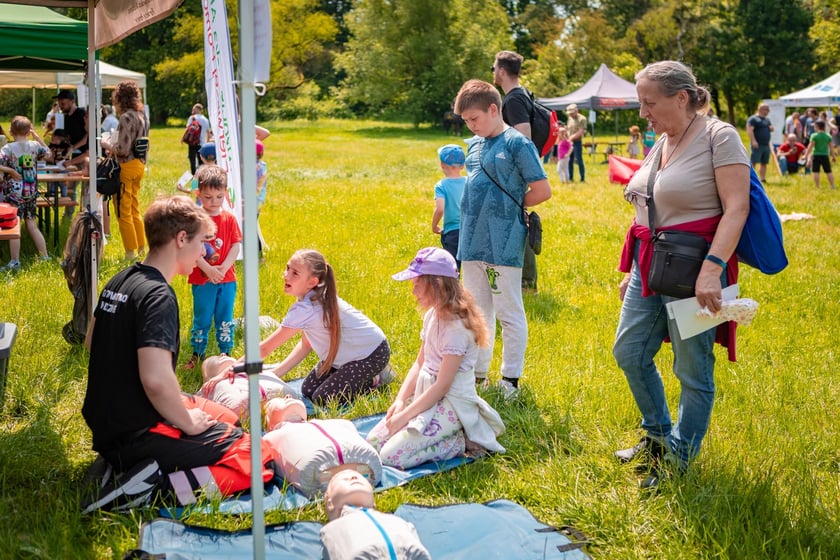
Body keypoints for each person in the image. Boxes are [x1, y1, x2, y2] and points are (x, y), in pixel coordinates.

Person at [614, 60, 750, 490]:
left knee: (693, 370)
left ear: (682, 98)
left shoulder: (719, 137)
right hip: (651, 265)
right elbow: (648, 205)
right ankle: (657, 435)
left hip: (697, 270)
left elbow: (737, 208)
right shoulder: (662, 140)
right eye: (641, 103)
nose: (643, 113)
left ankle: (680, 455)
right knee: (630, 352)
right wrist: (631, 266)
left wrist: (712, 270)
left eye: (649, 103)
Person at [81, 196, 256, 506]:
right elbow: (156, 381)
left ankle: (119, 465)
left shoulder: (120, 279)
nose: (203, 252)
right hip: (137, 430)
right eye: (202, 242)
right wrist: (186, 422)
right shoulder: (159, 296)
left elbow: (91, 343)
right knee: (254, 457)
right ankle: (147, 488)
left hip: (107, 421)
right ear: (181, 239)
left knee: (229, 418)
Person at [452, 78, 552, 396]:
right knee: (477, 311)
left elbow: (542, 190)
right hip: (472, 241)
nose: (471, 126)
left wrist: (510, 208)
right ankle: (478, 374)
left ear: (494, 109)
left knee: (508, 310)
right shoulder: (475, 145)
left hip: (504, 241)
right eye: (466, 121)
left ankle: (510, 381)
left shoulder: (517, 144)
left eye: (475, 119)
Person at [366, 247, 505, 468]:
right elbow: (420, 362)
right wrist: (400, 400)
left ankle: (461, 441)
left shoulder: (457, 329)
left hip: (451, 403)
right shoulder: (432, 315)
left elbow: (442, 386)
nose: (413, 292)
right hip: (426, 396)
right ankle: (432, 432)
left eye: (417, 284)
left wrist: (404, 417)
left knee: (389, 456)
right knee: (372, 443)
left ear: (437, 284)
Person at [256, 249, 392, 405]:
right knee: (308, 390)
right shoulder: (312, 298)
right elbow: (306, 344)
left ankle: (377, 378)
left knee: (322, 397)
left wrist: (232, 369)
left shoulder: (308, 308)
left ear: (312, 282)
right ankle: (352, 374)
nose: (286, 275)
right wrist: (276, 373)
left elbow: (264, 349)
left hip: (372, 354)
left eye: (295, 273)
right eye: (287, 269)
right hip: (344, 357)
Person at [180, 165, 242, 370]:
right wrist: (208, 269)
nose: (213, 202)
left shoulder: (229, 218)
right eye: (208, 197)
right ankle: (197, 354)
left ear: (225, 193)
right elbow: (192, 248)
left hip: (227, 279)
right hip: (202, 279)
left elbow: (235, 245)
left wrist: (223, 268)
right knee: (202, 318)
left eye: (219, 196)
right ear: (198, 193)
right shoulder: (196, 220)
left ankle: (226, 354)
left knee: (225, 318)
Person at [492, 50, 541, 291]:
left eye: (494, 68)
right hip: (515, 171)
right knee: (515, 221)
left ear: (502, 70)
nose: (493, 72)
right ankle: (521, 280)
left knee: (517, 223)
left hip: (514, 171)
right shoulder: (521, 95)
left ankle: (526, 282)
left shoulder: (513, 99)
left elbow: (524, 136)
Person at [320, 469, 432, 560]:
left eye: (360, 478)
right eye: (344, 479)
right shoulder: (332, 530)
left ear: (373, 501)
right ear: (330, 503)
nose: (353, 477)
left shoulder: (394, 520)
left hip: (412, 553)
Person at [101, 80, 148, 261]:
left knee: (123, 211)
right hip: (139, 165)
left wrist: (105, 142)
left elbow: (122, 149)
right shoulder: (142, 115)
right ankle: (142, 248)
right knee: (134, 208)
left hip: (126, 166)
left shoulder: (126, 117)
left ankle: (130, 253)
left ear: (120, 98)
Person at [0, 116, 51, 271]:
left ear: (11, 131)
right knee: (32, 224)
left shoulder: (7, 149)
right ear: (29, 131)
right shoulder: (35, 146)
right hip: (30, 191)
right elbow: (48, 154)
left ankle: (15, 262)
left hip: (14, 193)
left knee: (14, 227)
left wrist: (10, 170)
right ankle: (45, 256)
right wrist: (37, 137)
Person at [431, 144, 465, 268]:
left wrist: (434, 226)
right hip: (470, 231)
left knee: (452, 270)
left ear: (441, 164)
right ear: (462, 165)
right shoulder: (469, 182)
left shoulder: (441, 185)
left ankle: (453, 288)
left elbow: (440, 209)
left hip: (452, 233)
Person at [803, 119, 836, 189]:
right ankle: (832, 185)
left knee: (816, 171)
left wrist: (805, 155)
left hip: (816, 155)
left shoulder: (814, 136)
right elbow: (831, 148)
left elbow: (810, 147)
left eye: (814, 127)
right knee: (828, 171)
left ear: (817, 127)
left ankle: (817, 186)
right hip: (825, 156)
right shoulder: (828, 136)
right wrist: (833, 156)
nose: (814, 128)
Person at [746, 102, 774, 182]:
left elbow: (771, 128)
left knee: (764, 162)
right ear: (761, 109)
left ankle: (762, 179)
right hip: (757, 144)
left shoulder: (767, 120)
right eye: (767, 109)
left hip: (766, 144)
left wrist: (771, 128)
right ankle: (751, 179)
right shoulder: (754, 119)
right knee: (754, 162)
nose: (768, 111)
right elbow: (749, 130)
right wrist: (753, 141)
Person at [185, 103, 211, 175]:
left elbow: (187, 129)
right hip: (202, 143)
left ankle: (194, 177)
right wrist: (207, 143)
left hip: (192, 142)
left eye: (193, 109)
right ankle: (202, 175)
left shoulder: (192, 118)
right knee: (201, 161)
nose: (192, 110)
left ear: (197, 109)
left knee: (192, 160)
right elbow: (208, 132)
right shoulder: (205, 119)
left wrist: (183, 139)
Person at [566, 103, 588, 182]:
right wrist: (568, 137)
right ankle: (570, 178)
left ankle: (582, 178)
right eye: (570, 113)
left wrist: (571, 138)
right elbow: (568, 129)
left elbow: (581, 131)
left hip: (577, 142)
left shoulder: (582, 119)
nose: (571, 115)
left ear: (576, 111)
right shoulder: (570, 118)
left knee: (579, 160)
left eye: (572, 113)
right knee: (569, 160)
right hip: (569, 142)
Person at [255, 139, 269, 262]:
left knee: (251, 229)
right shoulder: (262, 165)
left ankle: (259, 256)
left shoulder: (254, 167)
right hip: (259, 201)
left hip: (252, 202)